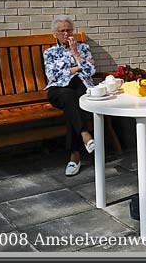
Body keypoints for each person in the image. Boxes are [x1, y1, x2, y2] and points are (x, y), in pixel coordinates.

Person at [44, 15, 96, 177]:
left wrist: (76, 54)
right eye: (62, 31)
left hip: (80, 87)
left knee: (74, 102)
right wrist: (76, 68)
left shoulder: (83, 48)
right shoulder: (50, 52)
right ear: (55, 34)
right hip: (58, 90)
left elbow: (90, 71)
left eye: (69, 30)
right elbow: (53, 76)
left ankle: (75, 156)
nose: (66, 34)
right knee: (69, 96)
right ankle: (85, 134)